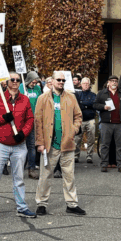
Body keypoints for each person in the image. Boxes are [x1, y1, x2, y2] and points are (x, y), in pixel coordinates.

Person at [0, 72, 36, 220]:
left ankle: (22, 207)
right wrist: (3, 118)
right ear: (6, 82)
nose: (15, 82)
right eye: (12, 79)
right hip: (0, 145)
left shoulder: (25, 100)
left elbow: (30, 119)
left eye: (17, 80)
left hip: (19, 146)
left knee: (19, 179)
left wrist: (23, 133)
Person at [34, 71, 85, 216]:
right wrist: (40, 142)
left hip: (67, 143)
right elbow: (38, 122)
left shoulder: (71, 97)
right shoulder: (43, 98)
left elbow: (78, 116)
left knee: (69, 176)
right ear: (52, 81)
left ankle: (72, 204)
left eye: (63, 80)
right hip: (49, 144)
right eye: (58, 80)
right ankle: (41, 203)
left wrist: (74, 130)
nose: (61, 82)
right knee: (45, 176)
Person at [95, 76, 121, 173]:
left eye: (116, 81)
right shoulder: (102, 93)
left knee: (120, 146)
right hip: (106, 123)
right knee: (105, 145)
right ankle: (104, 164)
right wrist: (103, 107)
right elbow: (95, 104)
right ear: (108, 83)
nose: (114, 83)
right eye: (112, 81)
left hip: (120, 124)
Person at [22, 72, 43, 178]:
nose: (34, 84)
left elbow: (41, 102)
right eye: (33, 82)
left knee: (31, 145)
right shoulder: (21, 87)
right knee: (21, 145)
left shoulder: (38, 89)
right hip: (22, 121)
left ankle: (32, 168)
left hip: (34, 120)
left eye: (35, 82)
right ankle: (20, 168)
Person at [75, 77, 98, 164]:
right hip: (80, 119)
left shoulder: (93, 95)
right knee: (77, 139)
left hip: (90, 119)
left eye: (87, 84)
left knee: (91, 138)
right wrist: (87, 105)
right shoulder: (78, 94)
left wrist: (83, 104)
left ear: (89, 85)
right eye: (84, 83)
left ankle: (89, 156)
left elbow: (94, 104)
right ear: (81, 84)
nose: (86, 85)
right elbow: (77, 105)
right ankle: (76, 155)